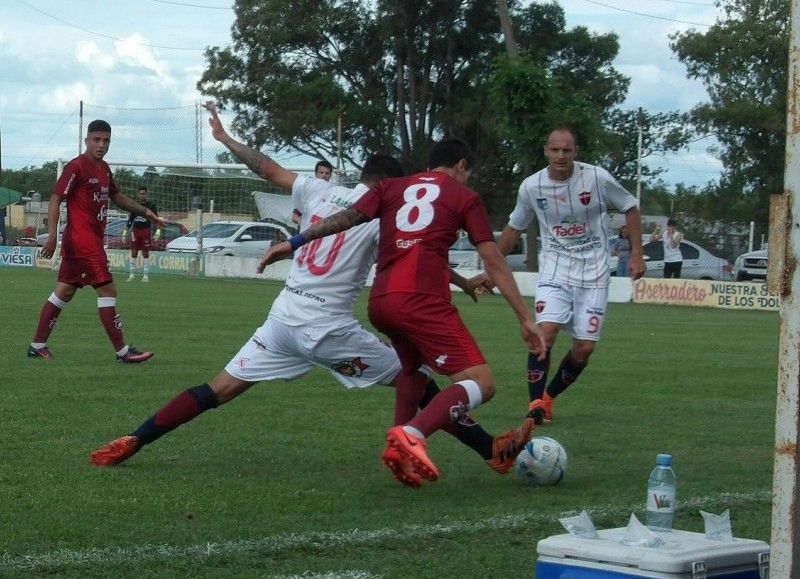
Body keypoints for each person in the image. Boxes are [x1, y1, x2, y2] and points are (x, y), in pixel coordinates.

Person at [89, 105, 534, 485]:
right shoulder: (386, 210)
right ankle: (483, 448)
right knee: (415, 377)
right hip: (327, 327)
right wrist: (464, 282)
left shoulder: (318, 189)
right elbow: (418, 249)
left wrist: (225, 137)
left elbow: (263, 166)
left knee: (219, 388)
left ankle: (136, 438)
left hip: (283, 318)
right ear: (388, 186)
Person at [259, 137, 546, 487]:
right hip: (422, 302)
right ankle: (412, 434)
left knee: (415, 369)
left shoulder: (392, 187)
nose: (467, 180)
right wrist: (525, 319)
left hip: (382, 301)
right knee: (480, 383)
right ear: (460, 166)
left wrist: (295, 241)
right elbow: (494, 259)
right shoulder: (464, 197)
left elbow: (345, 219)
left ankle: (399, 452)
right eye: (468, 174)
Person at [489, 127, 645, 426]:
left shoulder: (596, 178)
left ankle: (549, 397)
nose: (561, 155)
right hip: (555, 271)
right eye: (555, 150)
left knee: (584, 347)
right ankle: (535, 403)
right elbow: (514, 228)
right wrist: (490, 268)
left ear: (576, 152)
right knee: (544, 333)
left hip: (595, 274)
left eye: (567, 150)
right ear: (546, 151)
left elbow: (630, 206)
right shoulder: (531, 187)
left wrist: (637, 252)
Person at [28, 119, 166, 363]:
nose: (101, 145)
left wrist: (147, 213)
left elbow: (118, 197)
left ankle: (37, 346)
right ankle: (123, 352)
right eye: (97, 140)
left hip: (85, 241)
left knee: (65, 290)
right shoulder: (76, 167)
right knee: (108, 288)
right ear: (87, 141)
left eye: (106, 141)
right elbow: (55, 200)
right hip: (83, 242)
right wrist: (52, 236)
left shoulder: (104, 169)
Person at [124, 185, 160, 282]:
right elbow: (130, 219)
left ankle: (145, 275)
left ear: (146, 194)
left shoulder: (151, 205)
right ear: (138, 194)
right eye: (140, 194)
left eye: (143, 194)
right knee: (134, 252)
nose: (142, 195)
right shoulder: (135, 205)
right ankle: (131, 274)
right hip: (135, 231)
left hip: (146, 230)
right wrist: (125, 232)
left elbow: (156, 219)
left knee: (145, 253)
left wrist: (158, 230)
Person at [291, 159, 336, 225]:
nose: (324, 175)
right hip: (309, 233)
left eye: (327, 173)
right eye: (321, 172)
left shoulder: (335, 192)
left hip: (328, 232)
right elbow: (294, 217)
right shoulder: (307, 191)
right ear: (316, 174)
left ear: (330, 175)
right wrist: (307, 225)